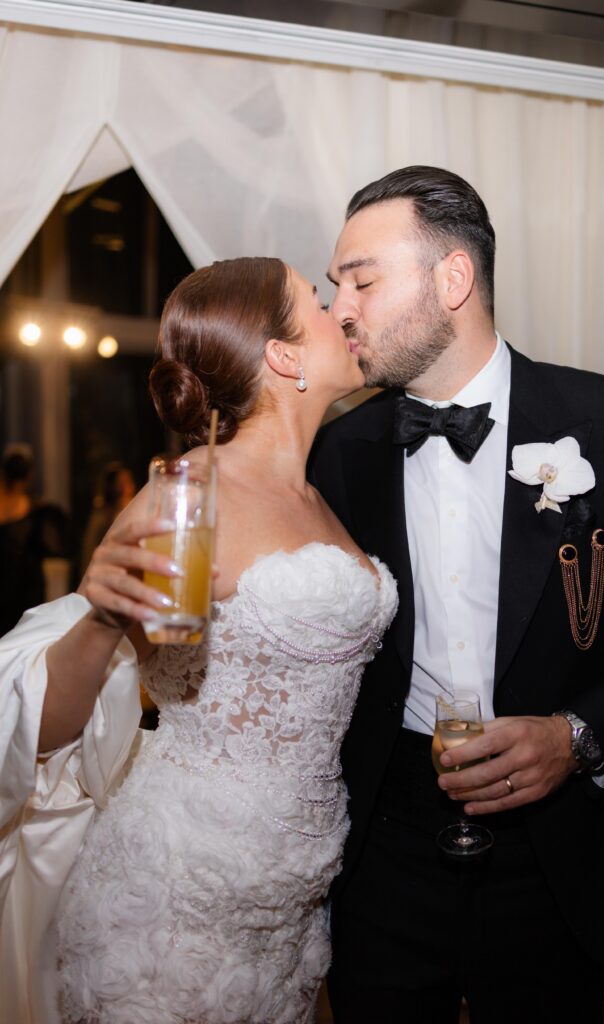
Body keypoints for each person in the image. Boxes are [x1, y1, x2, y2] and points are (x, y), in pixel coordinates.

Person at [308, 165, 604, 1023]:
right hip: (384, 854)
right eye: (335, 287)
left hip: (558, 859)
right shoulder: (342, 451)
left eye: (362, 280)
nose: (340, 310)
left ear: (453, 279)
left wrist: (576, 737)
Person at [0, 257, 397, 1024]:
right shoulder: (183, 494)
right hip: (174, 899)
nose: (343, 312)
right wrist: (104, 620)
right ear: (283, 355)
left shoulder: (321, 496)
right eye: (318, 301)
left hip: (295, 902)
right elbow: (50, 731)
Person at [0, 446, 71, 635]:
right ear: (29, 475)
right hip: (24, 586)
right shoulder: (36, 510)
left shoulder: (35, 509)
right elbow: (53, 548)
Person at [79, 461, 137, 575]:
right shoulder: (100, 517)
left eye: (129, 481)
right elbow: (89, 551)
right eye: (122, 482)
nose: (129, 486)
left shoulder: (137, 509)